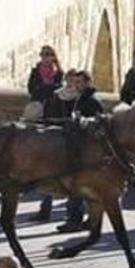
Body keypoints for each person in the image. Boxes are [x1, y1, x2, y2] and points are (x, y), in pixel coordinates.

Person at [43, 69, 103, 232]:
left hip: (85, 151)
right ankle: (88, 219)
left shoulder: (92, 101)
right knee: (80, 188)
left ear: (87, 83)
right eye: (74, 82)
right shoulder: (81, 98)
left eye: (79, 82)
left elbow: (99, 124)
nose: (75, 85)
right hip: (78, 148)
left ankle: (76, 220)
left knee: (77, 187)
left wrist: (80, 122)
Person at [26, 45, 63, 114]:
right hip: (37, 104)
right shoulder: (35, 71)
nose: (44, 57)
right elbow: (31, 88)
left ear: (53, 57)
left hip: (52, 106)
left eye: (47, 54)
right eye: (42, 54)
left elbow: (60, 89)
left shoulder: (58, 73)